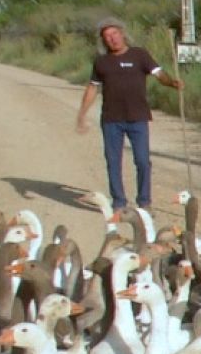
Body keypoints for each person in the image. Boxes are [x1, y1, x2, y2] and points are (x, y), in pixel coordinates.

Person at [75, 18, 183, 212]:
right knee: (113, 162)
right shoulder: (101, 62)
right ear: (103, 41)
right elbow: (92, 88)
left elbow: (159, 74)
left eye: (114, 34)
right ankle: (118, 203)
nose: (112, 39)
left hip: (138, 118)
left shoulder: (140, 55)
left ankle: (144, 202)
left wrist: (172, 83)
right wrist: (82, 114)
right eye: (107, 37)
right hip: (111, 120)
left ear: (122, 33)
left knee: (142, 161)